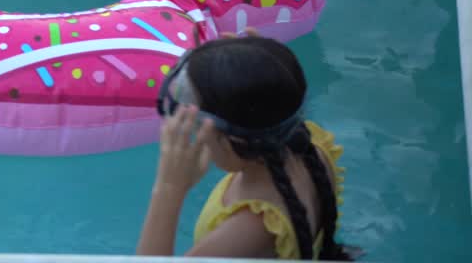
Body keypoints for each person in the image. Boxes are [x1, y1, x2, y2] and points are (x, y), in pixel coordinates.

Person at [135, 33, 356, 259]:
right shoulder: (312, 148)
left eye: (197, 125)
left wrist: (169, 188)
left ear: (235, 142)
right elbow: (271, 90)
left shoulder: (248, 230)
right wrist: (244, 57)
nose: (194, 133)